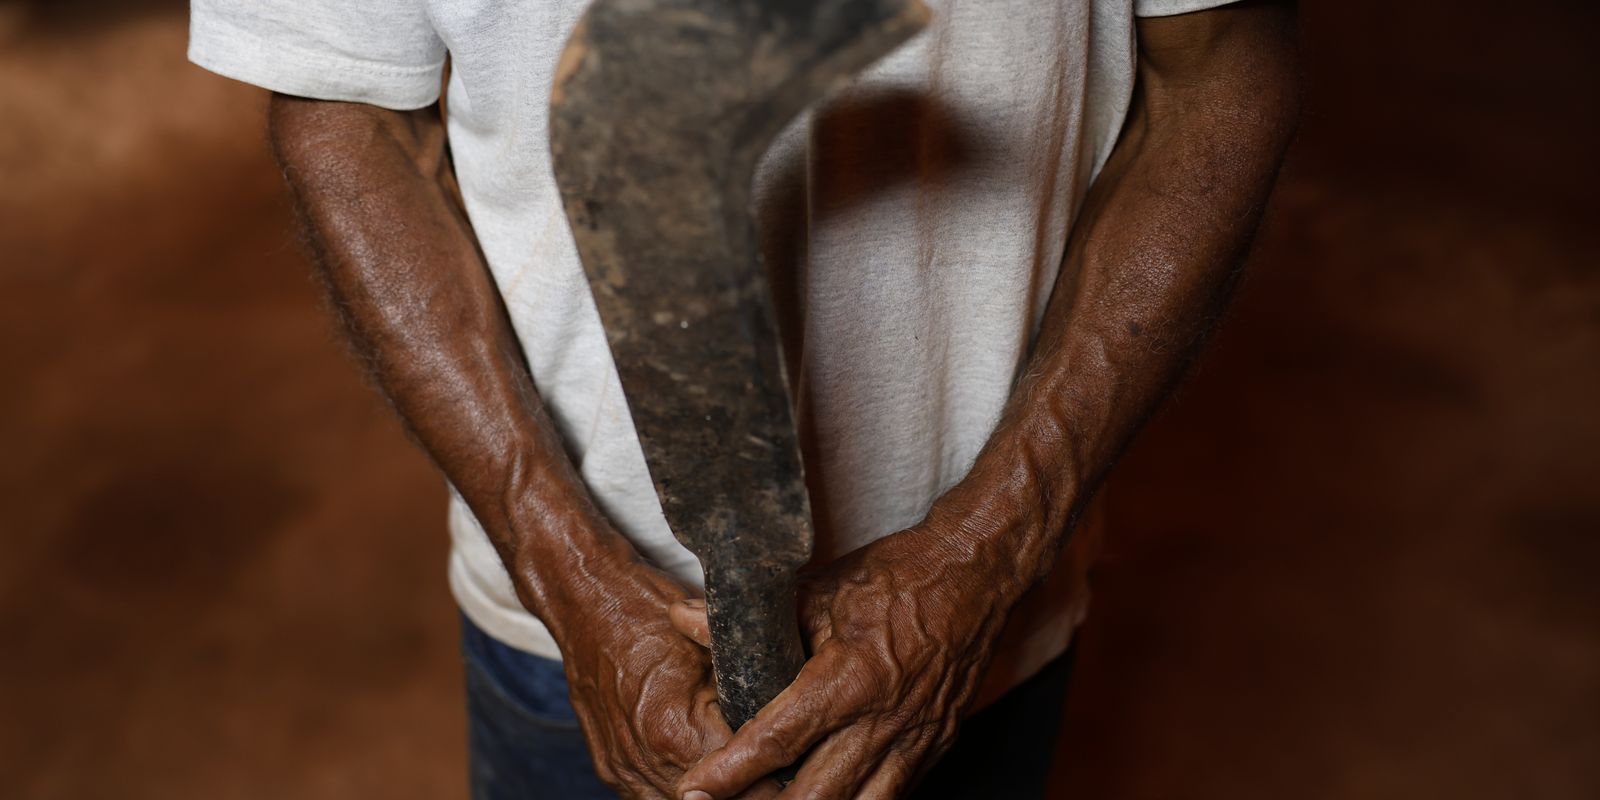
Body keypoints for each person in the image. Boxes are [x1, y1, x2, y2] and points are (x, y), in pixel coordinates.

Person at [188, 0, 1297, 797]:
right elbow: (344, 112)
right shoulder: (571, 601)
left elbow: (1218, 70)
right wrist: (560, 564)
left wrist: (993, 543)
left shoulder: (985, 579)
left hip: (978, 616)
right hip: (584, 635)